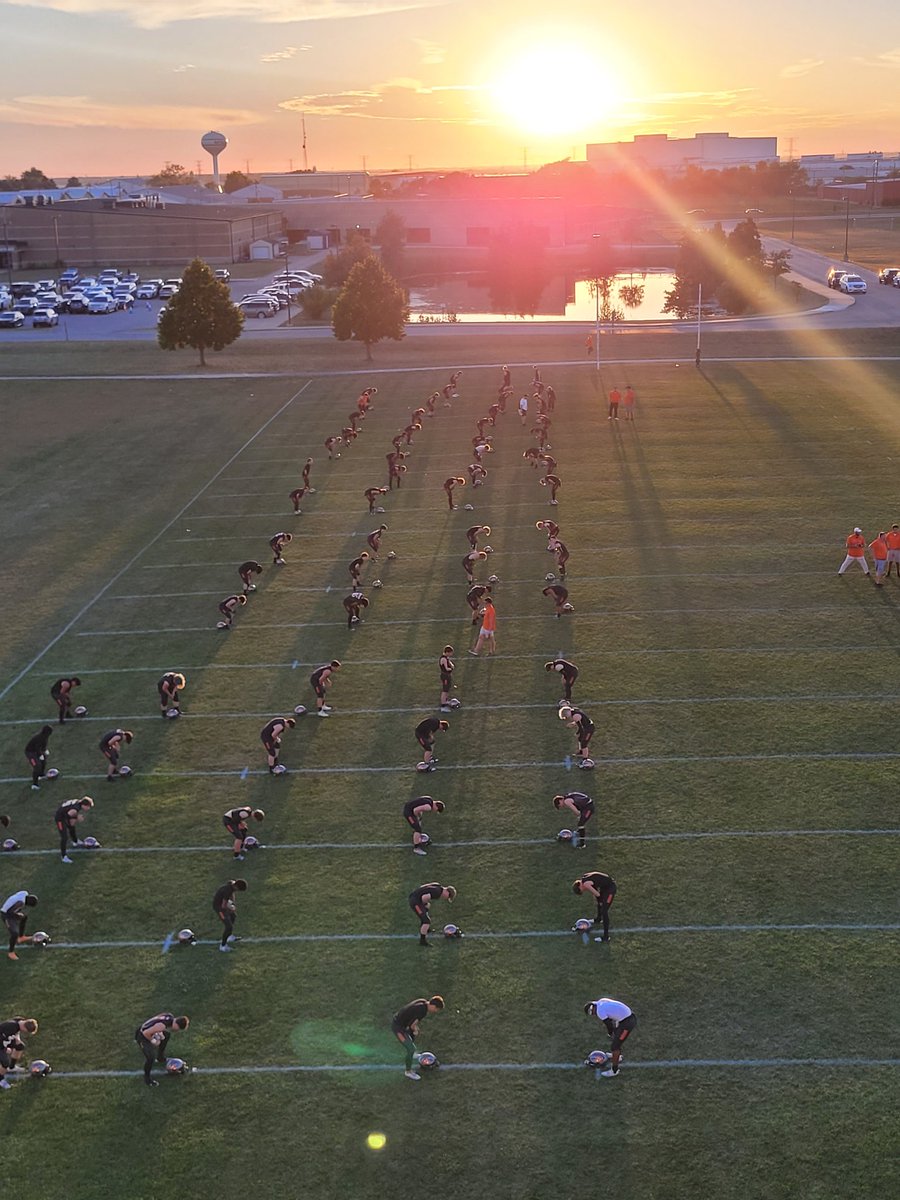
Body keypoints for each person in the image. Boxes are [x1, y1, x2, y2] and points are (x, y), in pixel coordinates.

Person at [391, 995, 444, 1080]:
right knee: (410, 1049)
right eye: (436, 1009)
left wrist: (414, 1029)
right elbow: (412, 1025)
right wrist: (415, 1029)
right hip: (398, 1027)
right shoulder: (422, 1011)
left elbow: (411, 1017)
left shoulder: (422, 1002)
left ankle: (413, 1055)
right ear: (433, 1006)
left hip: (402, 1024)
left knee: (412, 1035)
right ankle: (408, 1072)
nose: (435, 1011)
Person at [583, 997, 635, 1076]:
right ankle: (617, 1057)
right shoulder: (601, 1001)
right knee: (616, 1039)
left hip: (627, 1023)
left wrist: (610, 1033)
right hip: (625, 1016)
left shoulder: (600, 1011)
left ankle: (614, 1070)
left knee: (615, 1046)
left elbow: (609, 1024)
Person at [135, 1012, 190, 1086]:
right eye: (178, 1029)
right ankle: (147, 1078)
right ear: (177, 1025)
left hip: (145, 1028)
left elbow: (155, 1022)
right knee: (150, 1057)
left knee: (166, 1035)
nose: (177, 1030)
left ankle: (160, 1058)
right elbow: (146, 1033)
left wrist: (159, 1034)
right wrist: (154, 1041)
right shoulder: (161, 1026)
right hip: (142, 1036)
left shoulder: (169, 1016)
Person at [573, 870, 616, 938]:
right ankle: (598, 919)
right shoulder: (584, 878)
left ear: (579, 887)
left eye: (582, 890)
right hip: (604, 887)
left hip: (610, 888)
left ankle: (606, 937)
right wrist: (599, 901)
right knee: (599, 903)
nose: (584, 890)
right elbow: (595, 888)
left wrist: (600, 901)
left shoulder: (585, 884)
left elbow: (597, 894)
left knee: (604, 911)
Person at [0, 1017, 38, 1089]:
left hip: (4, 1040)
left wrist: (17, 1039)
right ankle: (0, 1080)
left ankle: (12, 1067)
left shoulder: (20, 1021)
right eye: (26, 1031)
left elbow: (17, 1031)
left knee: (20, 1046)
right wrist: (5, 1049)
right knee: (5, 1062)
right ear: (24, 1027)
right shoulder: (10, 1027)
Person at [54, 795, 94, 863]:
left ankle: (75, 841)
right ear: (84, 805)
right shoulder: (76, 808)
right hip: (60, 818)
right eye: (88, 807)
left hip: (64, 814)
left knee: (72, 825)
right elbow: (68, 815)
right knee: (64, 837)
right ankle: (63, 856)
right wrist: (77, 817)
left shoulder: (78, 802)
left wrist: (74, 818)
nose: (88, 808)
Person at [213, 878, 248, 952]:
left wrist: (232, 904)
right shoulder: (227, 891)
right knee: (229, 926)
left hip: (222, 904)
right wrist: (231, 909)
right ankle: (222, 946)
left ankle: (229, 936)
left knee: (233, 916)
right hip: (219, 908)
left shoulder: (232, 884)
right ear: (236, 887)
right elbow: (223, 906)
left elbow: (232, 893)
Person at [2, 891, 38, 961]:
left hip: (10, 910)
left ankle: (21, 937)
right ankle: (11, 952)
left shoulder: (24, 893)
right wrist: (18, 915)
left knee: (24, 917)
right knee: (14, 933)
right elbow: (9, 912)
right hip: (6, 915)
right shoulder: (20, 903)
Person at [24, 725, 53, 790]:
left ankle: (41, 774)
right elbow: (37, 748)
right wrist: (40, 755)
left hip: (36, 751)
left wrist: (45, 751)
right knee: (37, 766)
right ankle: (34, 784)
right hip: (30, 752)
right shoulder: (39, 738)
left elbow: (43, 745)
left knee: (44, 761)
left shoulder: (45, 737)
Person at [439, 646, 455, 711]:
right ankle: (443, 705)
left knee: (447, 688)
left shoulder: (446, 658)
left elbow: (450, 664)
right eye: (451, 653)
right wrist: (451, 668)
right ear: (447, 652)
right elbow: (446, 668)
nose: (451, 654)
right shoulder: (443, 659)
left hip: (447, 675)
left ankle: (445, 701)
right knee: (445, 690)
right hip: (445, 675)